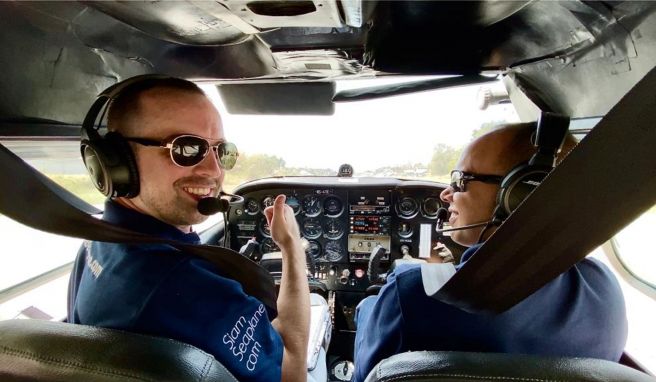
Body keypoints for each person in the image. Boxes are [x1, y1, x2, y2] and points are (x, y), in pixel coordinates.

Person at [68, 77, 311, 382]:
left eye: (220, 150)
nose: (214, 170)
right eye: (186, 148)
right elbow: (293, 364)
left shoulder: (99, 239)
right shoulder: (191, 290)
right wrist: (291, 247)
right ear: (116, 161)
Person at [352, 122, 628, 382]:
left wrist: (370, 308)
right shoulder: (606, 289)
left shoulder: (410, 293)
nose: (445, 195)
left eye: (460, 180)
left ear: (520, 193)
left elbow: (366, 375)